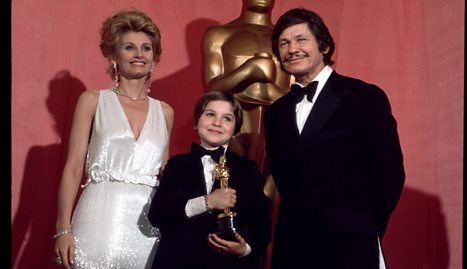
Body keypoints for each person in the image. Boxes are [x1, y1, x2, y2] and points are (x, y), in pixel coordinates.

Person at [264, 8, 405, 269]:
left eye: (301, 39)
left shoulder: (364, 97)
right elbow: (285, 182)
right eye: (284, 43)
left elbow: (390, 173)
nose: (292, 48)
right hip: (292, 248)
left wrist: (365, 227)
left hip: (349, 246)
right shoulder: (275, 113)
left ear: (325, 46)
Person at [53, 9, 174, 269]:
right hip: (98, 217)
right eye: (129, 47)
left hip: (148, 227)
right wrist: (63, 228)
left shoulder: (165, 112)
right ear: (114, 56)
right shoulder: (92, 101)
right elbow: (74, 168)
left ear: (154, 57)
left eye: (146, 48)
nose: (139, 54)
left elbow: (166, 178)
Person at [148, 91, 272, 269]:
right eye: (210, 114)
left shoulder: (247, 170)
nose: (217, 123)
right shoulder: (177, 165)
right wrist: (207, 202)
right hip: (178, 261)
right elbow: (158, 215)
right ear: (196, 121)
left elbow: (262, 227)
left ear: (236, 129)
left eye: (227, 118)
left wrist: (244, 248)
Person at [202, 0, 292, 161]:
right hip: (233, 126)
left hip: (278, 131)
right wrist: (249, 70)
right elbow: (211, 89)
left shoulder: (287, 41)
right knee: (230, 179)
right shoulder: (219, 35)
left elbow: (297, 97)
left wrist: (269, 89)